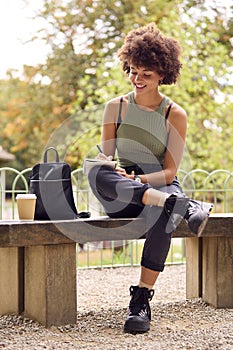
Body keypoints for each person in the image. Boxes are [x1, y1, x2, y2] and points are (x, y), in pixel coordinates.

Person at [87, 23, 213, 334]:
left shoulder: (175, 114)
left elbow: (170, 172)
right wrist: (110, 167)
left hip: (159, 185)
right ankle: (183, 205)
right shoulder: (115, 107)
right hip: (123, 191)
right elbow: (106, 156)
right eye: (133, 71)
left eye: (146, 73)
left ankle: (140, 301)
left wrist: (144, 183)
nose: (137, 79)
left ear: (162, 74)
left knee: (163, 209)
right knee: (96, 169)